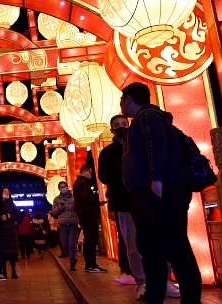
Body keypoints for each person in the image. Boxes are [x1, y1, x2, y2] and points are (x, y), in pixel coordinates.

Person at [120, 82, 202, 304]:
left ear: (128, 99)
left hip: (161, 191)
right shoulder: (139, 122)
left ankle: (192, 298)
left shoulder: (149, 115)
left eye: (121, 99)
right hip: (143, 194)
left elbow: (157, 145)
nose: (120, 104)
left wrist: (157, 179)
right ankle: (154, 296)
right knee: (150, 249)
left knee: (174, 246)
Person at [98, 115, 147, 298]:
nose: (121, 127)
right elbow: (103, 177)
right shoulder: (108, 153)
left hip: (146, 199)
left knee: (156, 241)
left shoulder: (140, 146)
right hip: (123, 202)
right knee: (132, 244)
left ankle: (164, 280)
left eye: (124, 124)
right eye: (117, 125)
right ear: (112, 130)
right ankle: (141, 281)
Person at [73, 164, 107, 273]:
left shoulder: (77, 183)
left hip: (83, 214)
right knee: (91, 239)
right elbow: (86, 198)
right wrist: (98, 202)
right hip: (88, 214)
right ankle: (91, 264)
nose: (91, 175)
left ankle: (89, 264)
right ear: (85, 171)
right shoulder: (83, 183)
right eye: (90, 172)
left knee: (88, 239)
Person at [51, 181, 79, 271]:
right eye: (61, 187)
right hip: (62, 224)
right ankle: (72, 256)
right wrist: (59, 208)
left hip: (73, 223)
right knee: (64, 244)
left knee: (71, 244)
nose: (63, 188)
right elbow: (53, 213)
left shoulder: (74, 197)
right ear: (59, 189)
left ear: (67, 186)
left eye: (64, 186)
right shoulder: (57, 199)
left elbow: (79, 208)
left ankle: (73, 261)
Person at [0, 187, 22, 280]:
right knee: (2, 253)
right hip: (1, 230)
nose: (6, 193)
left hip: (11, 231)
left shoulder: (12, 203)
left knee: (12, 253)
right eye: (4, 191)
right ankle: (3, 271)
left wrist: (9, 216)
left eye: (7, 192)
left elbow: (18, 215)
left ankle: (13, 271)